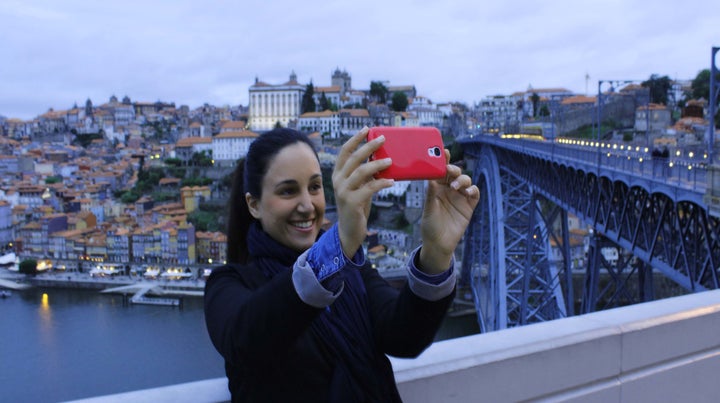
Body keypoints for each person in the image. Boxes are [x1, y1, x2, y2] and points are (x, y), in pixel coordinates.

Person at [204, 127, 479, 402]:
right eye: (288, 191)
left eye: (314, 187)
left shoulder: (350, 269)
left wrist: (436, 254)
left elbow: (403, 336)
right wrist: (339, 244)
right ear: (253, 205)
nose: (307, 206)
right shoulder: (228, 284)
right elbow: (246, 340)